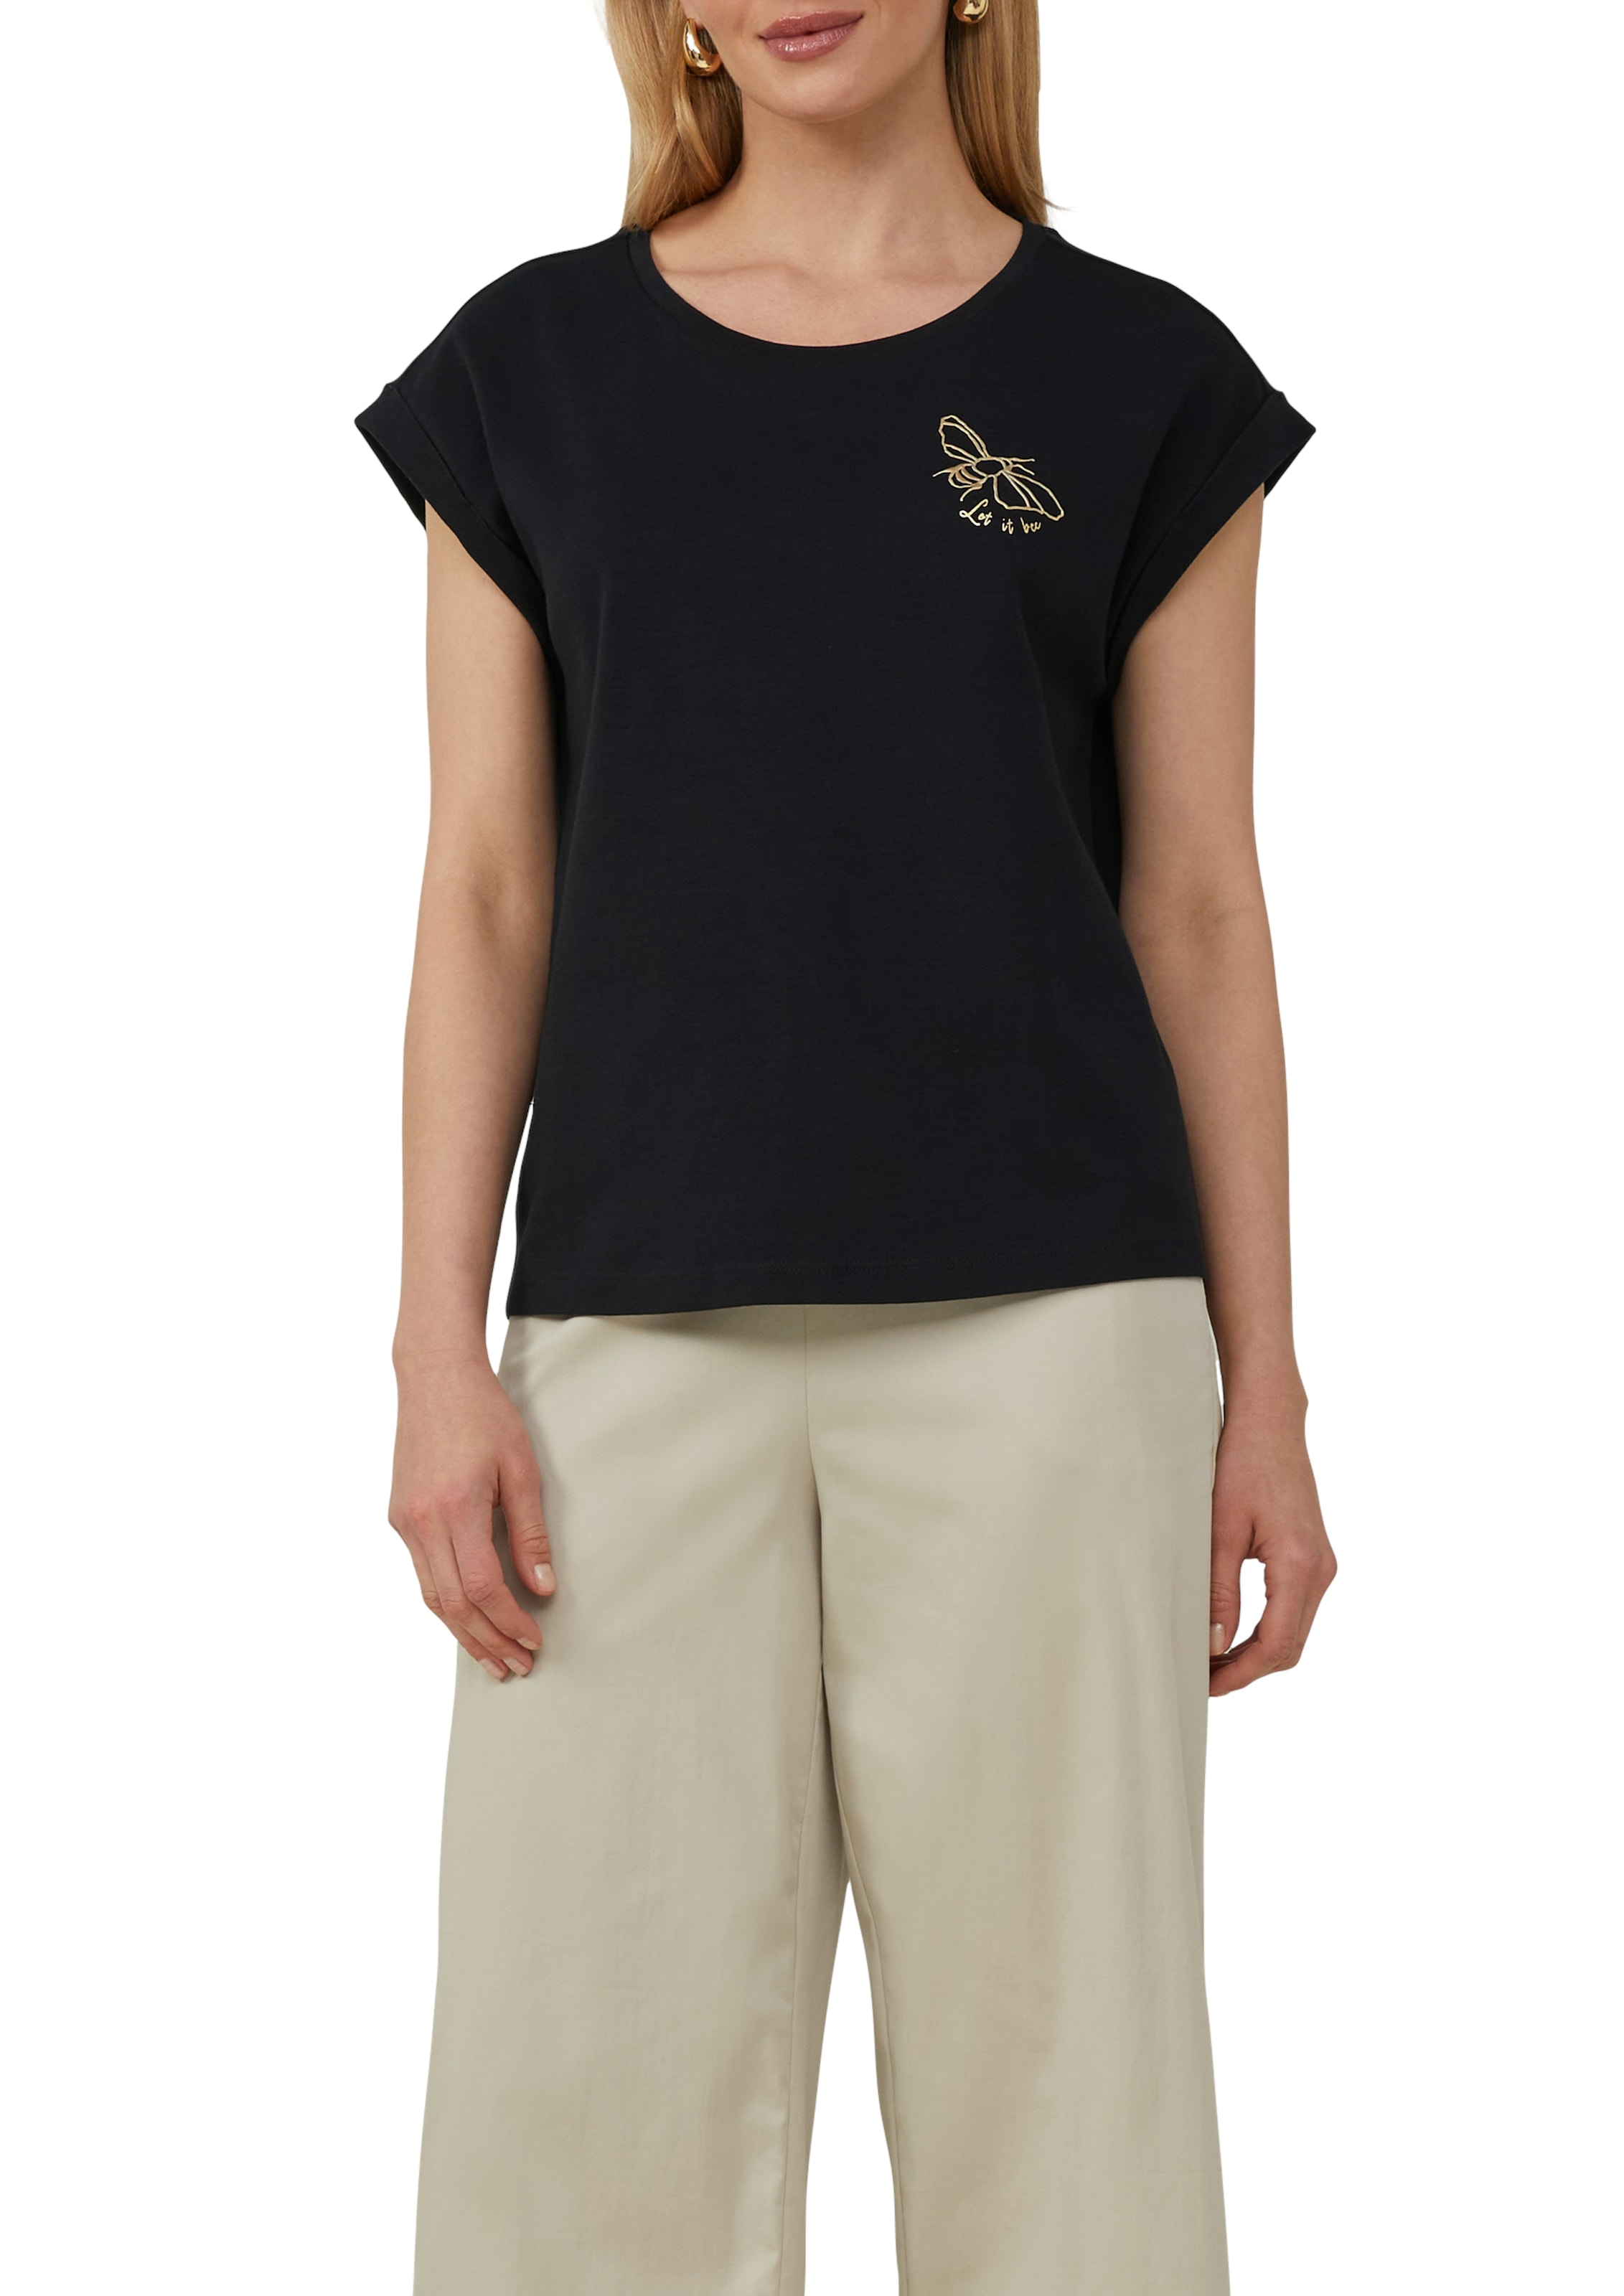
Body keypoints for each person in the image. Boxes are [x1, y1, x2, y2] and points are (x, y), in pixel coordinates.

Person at [356, 4, 1336, 2290]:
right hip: (626, 1348)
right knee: (576, 2110)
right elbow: (486, 887)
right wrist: (432, 1350)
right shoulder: (530, 375)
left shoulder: (1140, 379)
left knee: (1070, 2101)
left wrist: (1268, 1390)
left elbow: (1198, 903)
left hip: (1055, 1339)